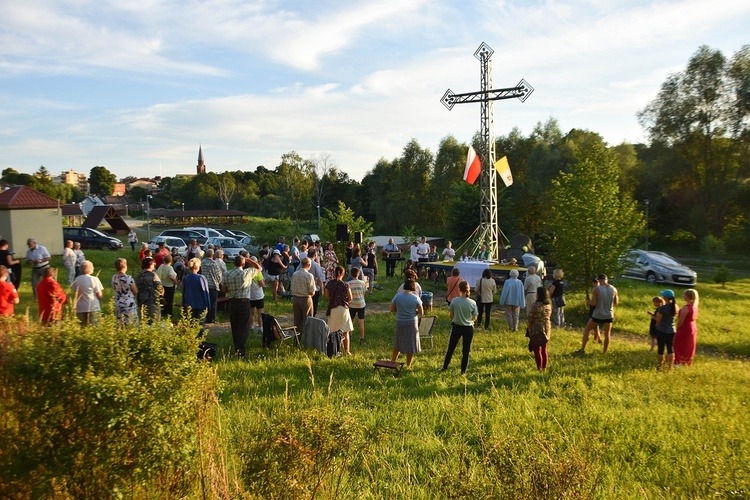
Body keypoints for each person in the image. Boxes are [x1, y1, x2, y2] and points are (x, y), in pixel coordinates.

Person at [222, 255, 262, 358]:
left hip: (232, 301)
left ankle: (236, 347)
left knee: (234, 325)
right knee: (243, 326)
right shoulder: (246, 273)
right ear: (243, 264)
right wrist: (249, 259)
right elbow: (259, 268)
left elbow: (223, 290)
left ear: (234, 263)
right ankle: (241, 351)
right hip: (244, 302)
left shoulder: (227, 274)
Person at [441, 280, 478, 374]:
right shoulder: (472, 303)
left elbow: (451, 316)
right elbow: (474, 317)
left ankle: (445, 367)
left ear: (459, 289)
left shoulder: (455, 301)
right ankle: (463, 371)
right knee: (466, 351)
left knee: (451, 348)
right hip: (468, 328)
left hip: (457, 326)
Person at [580, 274, 619, 354]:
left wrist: (588, 302)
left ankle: (582, 349)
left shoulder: (596, 289)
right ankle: (604, 352)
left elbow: (594, 303)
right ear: (606, 279)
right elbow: (616, 303)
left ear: (599, 280)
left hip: (598, 314)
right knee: (607, 333)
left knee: (587, 329)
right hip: (609, 314)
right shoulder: (614, 289)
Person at [390, 279, 423, 369]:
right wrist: (414, 311)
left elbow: (392, 309)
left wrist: (400, 310)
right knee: (411, 344)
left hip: (400, 321)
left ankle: (393, 361)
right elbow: (421, 312)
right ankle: (408, 365)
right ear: (413, 287)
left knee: (398, 342)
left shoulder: (397, 296)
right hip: (412, 322)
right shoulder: (416, 298)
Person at [325, 265, 354, 355]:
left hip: (333, 309)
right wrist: (345, 301)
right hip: (343, 309)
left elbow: (327, 296)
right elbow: (350, 298)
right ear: (343, 274)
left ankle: (334, 350)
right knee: (345, 331)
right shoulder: (345, 285)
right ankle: (347, 351)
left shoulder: (329, 284)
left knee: (333, 331)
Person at [527, 286, 552, 371]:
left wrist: (528, 327)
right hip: (546, 328)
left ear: (538, 295)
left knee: (537, 350)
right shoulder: (548, 306)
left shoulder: (535, 305)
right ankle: (544, 367)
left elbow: (530, 318)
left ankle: (539, 368)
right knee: (544, 349)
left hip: (536, 328)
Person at [72, 260, 104, 326]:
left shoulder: (76, 279)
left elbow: (76, 293)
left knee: (82, 325)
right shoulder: (94, 279)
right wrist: (101, 299)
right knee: (94, 326)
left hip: (80, 307)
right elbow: (99, 294)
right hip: (93, 306)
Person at [674, 289, 699, 367]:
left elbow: (681, 320)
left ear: (687, 296)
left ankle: (679, 361)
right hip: (693, 326)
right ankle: (687, 361)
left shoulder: (686, 307)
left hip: (685, 327)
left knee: (678, 343)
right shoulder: (694, 306)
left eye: (684, 295)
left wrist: (677, 328)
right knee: (689, 345)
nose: (683, 296)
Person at [290, 257, 315, 334]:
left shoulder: (295, 274)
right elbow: (312, 291)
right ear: (309, 265)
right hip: (306, 299)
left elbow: (292, 287)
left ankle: (297, 339)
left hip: (296, 299)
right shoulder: (309, 276)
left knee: (297, 321)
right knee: (308, 320)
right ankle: (308, 339)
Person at [136, 257, 164, 325]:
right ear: (150, 265)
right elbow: (159, 287)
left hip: (141, 299)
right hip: (152, 300)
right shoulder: (153, 275)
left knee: (144, 319)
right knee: (154, 320)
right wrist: (162, 292)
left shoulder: (139, 274)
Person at [182, 257, 211, 323]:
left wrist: (183, 304)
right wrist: (208, 305)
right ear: (198, 267)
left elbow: (184, 292)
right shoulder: (201, 278)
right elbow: (206, 293)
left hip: (189, 304)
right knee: (200, 325)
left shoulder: (186, 278)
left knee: (191, 324)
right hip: (200, 304)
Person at [654, 289, 677, 371]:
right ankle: (670, 367)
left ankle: (660, 366)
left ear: (665, 298)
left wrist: (656, 326)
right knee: (670, 349)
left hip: (662, 330)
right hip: (672, 330)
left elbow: (658, 320)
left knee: (661, 349)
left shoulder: (662, 308)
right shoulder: (675, 306)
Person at [112, 258, 138, 325]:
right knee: (131, 322)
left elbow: (114, 287)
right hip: (128, 302)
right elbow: (135, 291)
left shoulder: (114, 277)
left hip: (118, 301)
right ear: (125, 266)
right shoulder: (128, 278)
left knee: (120, 322)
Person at [200, 249, 222, 324]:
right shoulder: (214, 264)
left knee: (204, 303)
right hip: (213, 285)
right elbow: (219, 275)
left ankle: (204, 317)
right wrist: (218, 282)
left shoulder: (202, 262)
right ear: (213, 255)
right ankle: (211, 319)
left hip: (204, 285)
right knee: (213, 303)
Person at [348, 267, 367, 345]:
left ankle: (350, 335)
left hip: (352, 304)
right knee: (361, 322)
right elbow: (364, 293)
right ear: (358, 274)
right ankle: (362, 338)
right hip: (361, 304)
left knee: (351, 321)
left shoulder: (348, 283)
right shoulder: (362, 283)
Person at [247, 256, 267, 332]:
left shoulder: (246, 271)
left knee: (251, 313)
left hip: (250, 295)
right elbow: (261, 284)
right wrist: (265, 284)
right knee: (260, 313)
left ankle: (251, 327)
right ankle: (260, 328)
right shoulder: (257, 272)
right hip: (258, 295)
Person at [156, 254, 178, 318]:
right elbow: (170, 276)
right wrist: (175, 282)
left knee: (162, 299)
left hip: (162, 285)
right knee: (169, 300)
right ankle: (169, 314)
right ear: (171, 261)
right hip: (169, 286)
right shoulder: (170, 268)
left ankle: (162, 312)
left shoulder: (161, 266)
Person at [308, 248, 325, 316]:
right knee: (314, 307)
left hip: (304, 288)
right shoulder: (316, 265)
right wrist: (322, 289)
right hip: (314, 288)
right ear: (315, 255)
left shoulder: (302, 263)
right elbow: (319, 279)